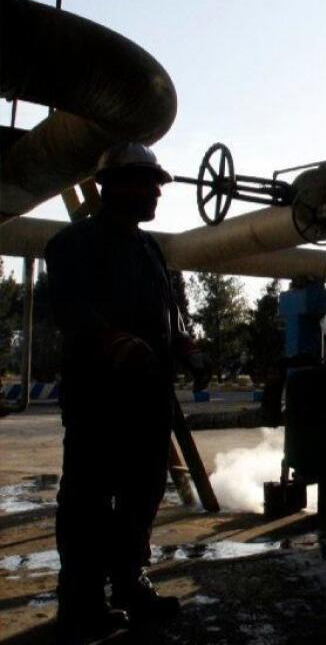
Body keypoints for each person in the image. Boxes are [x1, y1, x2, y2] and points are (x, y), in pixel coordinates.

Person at [46, 143, 207, 643]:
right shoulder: (73, 243)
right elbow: (70, 309)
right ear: (110, 187)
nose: (157, 191)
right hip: (100, 396)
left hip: (148, 398)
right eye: (146, 181)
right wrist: (112, 341)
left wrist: (187, 347)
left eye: (157, 182)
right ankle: (81, 601)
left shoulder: (148, 248)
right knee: (89, 499)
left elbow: (171, 312)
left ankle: (129, 582)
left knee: (142, 492)